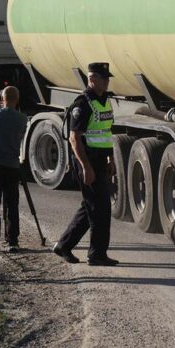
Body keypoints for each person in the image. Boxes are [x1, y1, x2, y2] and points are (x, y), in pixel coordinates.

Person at [53, 62, 119, 267]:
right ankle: (96, 254)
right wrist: (86, 167)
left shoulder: (105, 101)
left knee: (91, 206)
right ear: (92, 79)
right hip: (87, 160)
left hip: (100, 160)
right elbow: (75, 139)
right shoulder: (83, 104)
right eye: (103, 78)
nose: (107, 81)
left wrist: (110, 158)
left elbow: (105, 133)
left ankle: (64, 245)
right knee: (100, 208)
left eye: (108, 78)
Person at [0, 84, 28, 252]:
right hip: (13, 165)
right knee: (12, 203)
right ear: (17, 100)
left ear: (2, 99)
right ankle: (12, 241)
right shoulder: (22, 118)